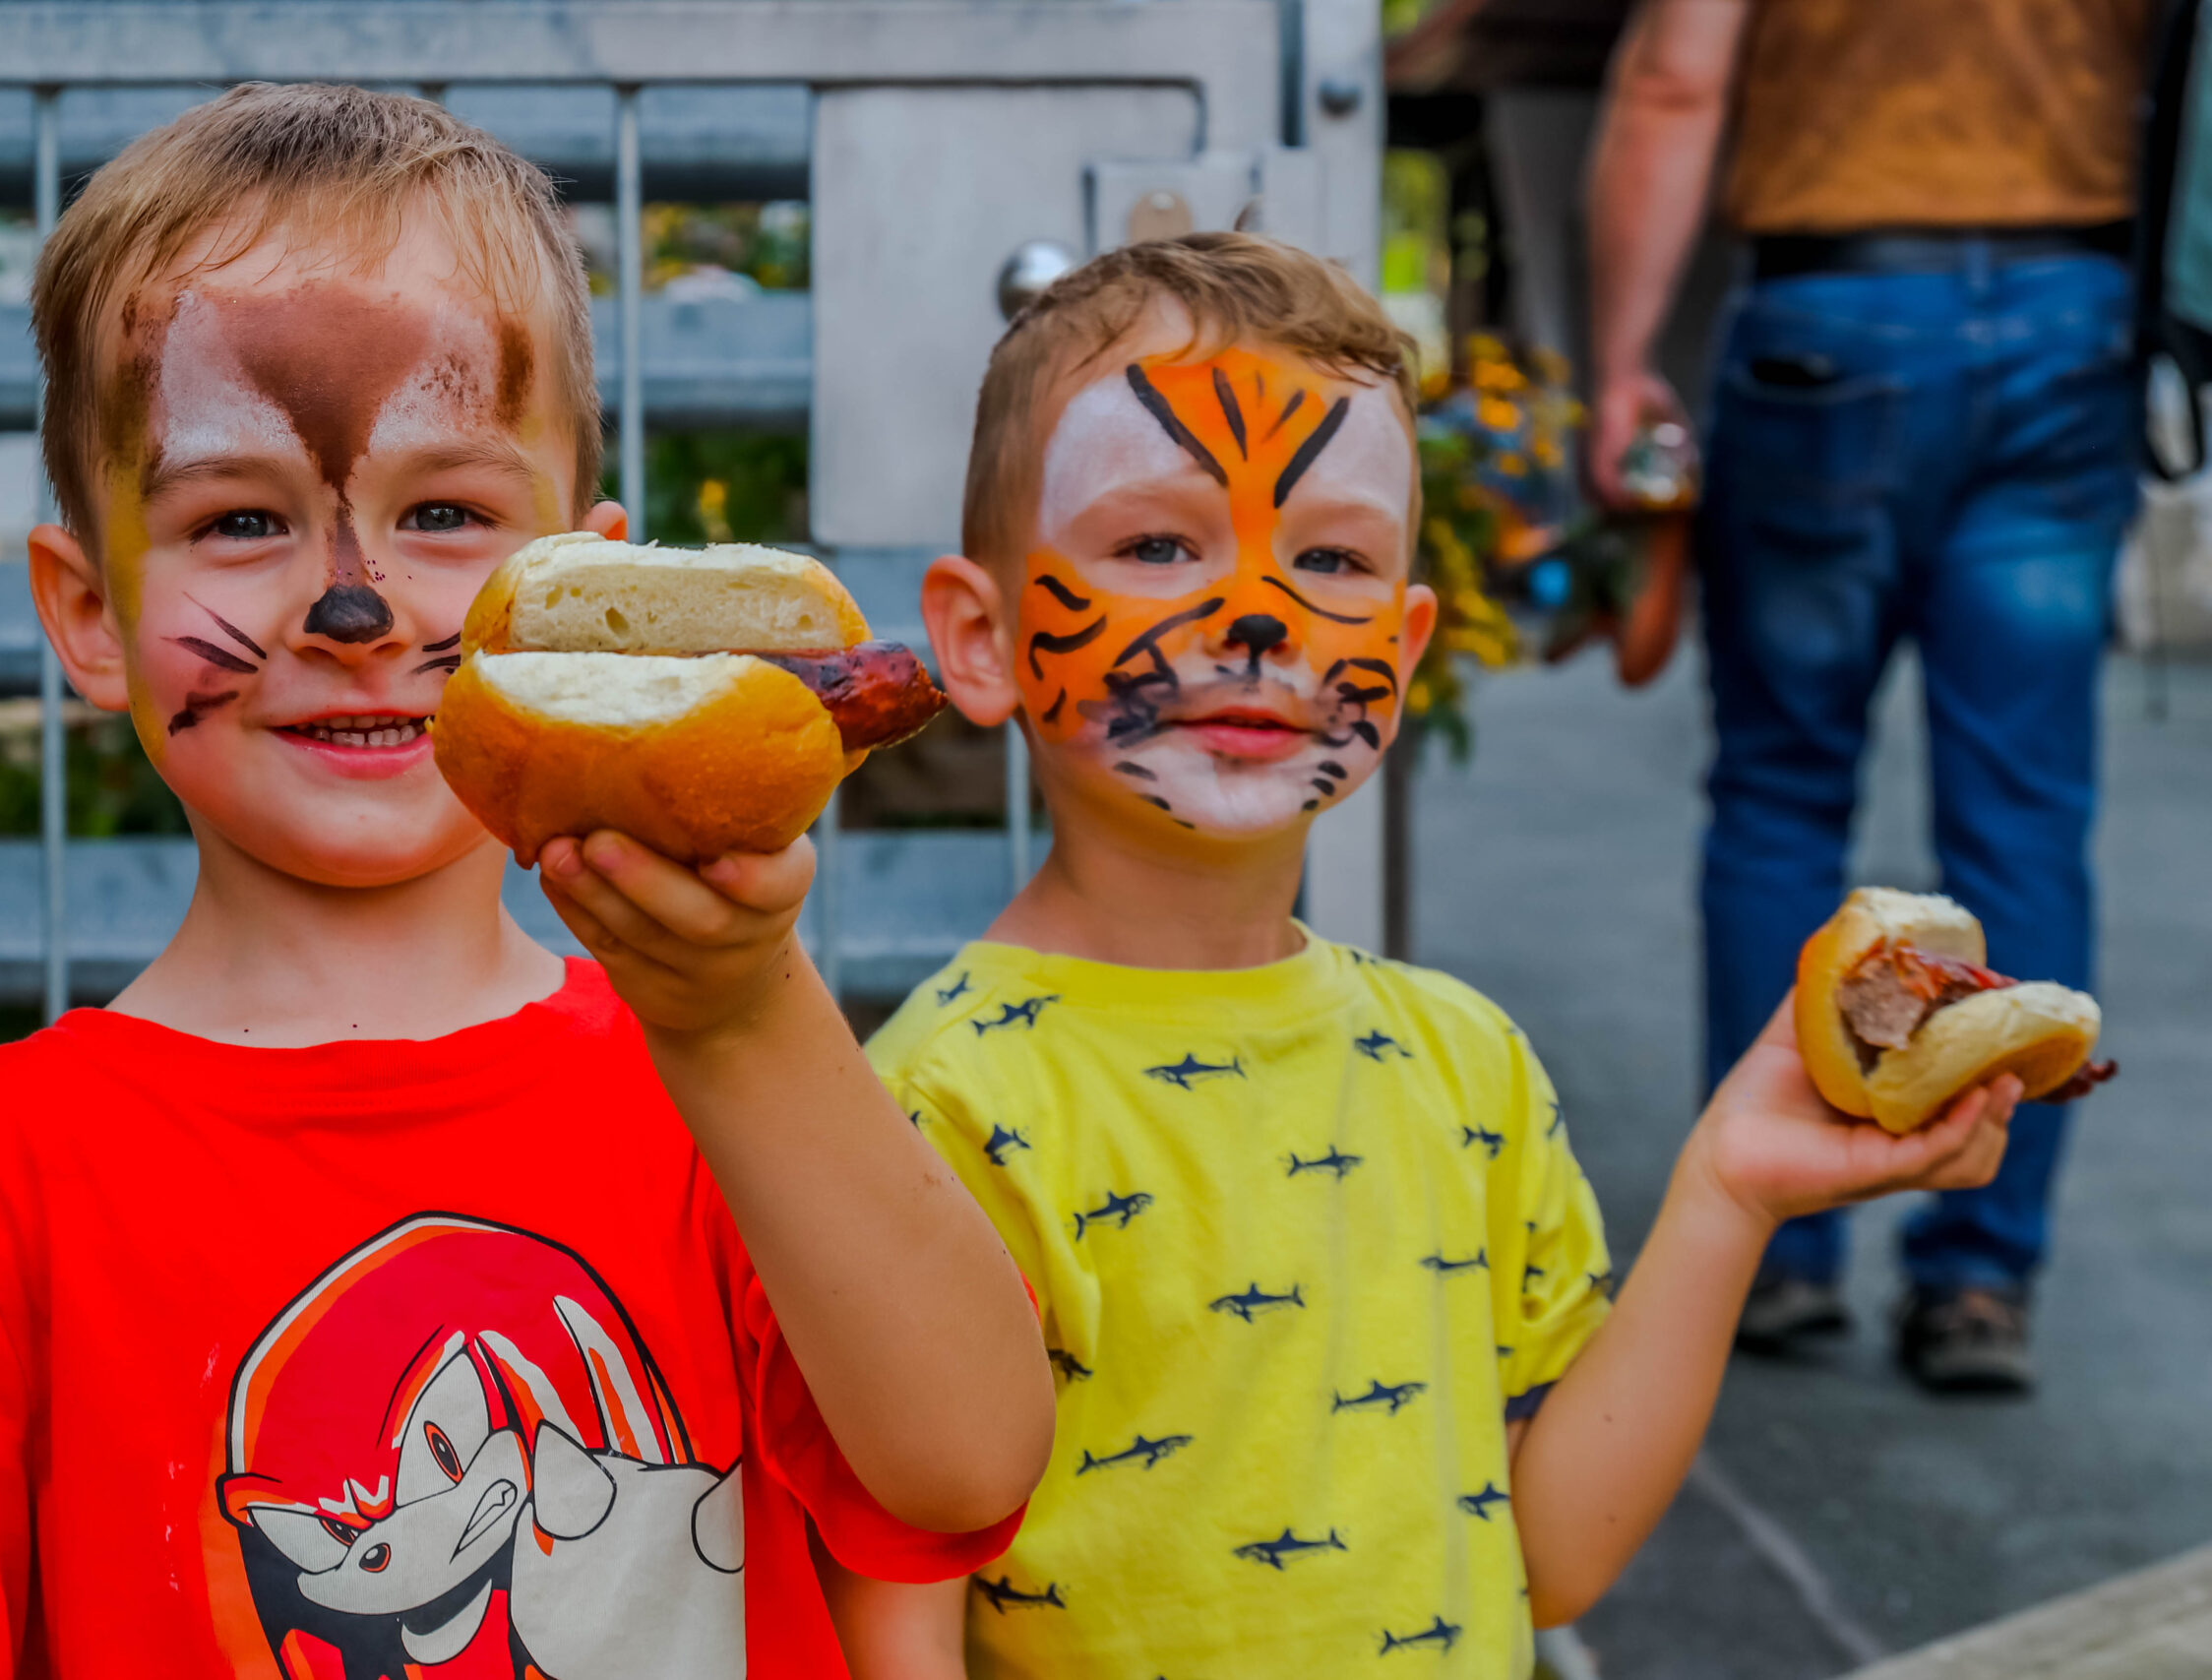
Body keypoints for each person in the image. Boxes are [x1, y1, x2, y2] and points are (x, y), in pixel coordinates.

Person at [0, 84, 1051, 1678]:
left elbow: (966, 1463)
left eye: (448, 514)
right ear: (87, 609)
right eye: (244, 517)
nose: (358, 608)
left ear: (594, 584)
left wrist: (746, 1021)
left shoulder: (724, 1091)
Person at [818, 233, 2019, 1680]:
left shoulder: (1463, 1063)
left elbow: (1552, 1556)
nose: (1257, 617)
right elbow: (894, 1627)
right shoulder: (930, 1109)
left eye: (1329, 559)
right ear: (983, 636)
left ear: (1404, 642)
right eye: (1158, 544)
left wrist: (1730, 1194)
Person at [1586, 0, 2151, 1392]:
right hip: (2073, 308)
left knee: (1780, 792)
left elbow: (1674, 79)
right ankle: (1979, 1280)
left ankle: (1780, 1242)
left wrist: (1616, 367)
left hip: (1829, 323)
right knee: (2021, 807)